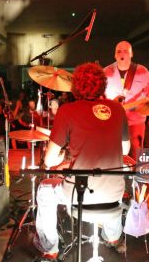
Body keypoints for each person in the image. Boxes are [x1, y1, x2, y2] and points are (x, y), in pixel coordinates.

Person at [33, 62, 130, 261]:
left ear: (75, 85)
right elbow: (126, 150)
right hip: (114, 192)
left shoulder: (67, 111)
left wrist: (63, 158)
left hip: (80, 194)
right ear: (103, 85)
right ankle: (113, 237)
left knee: (44, 190)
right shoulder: (118, 109)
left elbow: (50, 160)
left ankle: (50, 248)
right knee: (113, 182)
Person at [104, 40, 149, 160]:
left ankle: (136, 178)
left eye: (126, 51)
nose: (122, 54)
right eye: (119, 51)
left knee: (136, 157)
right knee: (112, 156)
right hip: (112, 122)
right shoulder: (106, 72)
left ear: (131, 54)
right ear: (115, 55)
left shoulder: (143, 71)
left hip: (136, 122)